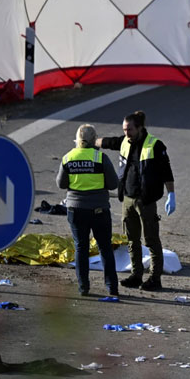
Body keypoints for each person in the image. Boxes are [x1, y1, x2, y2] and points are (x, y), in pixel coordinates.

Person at [97, 111, 175, 292]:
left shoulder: (155, 145)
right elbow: (108, 142)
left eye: (130, 129)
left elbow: (166, 172)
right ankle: (136, 274)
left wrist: (171, 194)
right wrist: (89, 141)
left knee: (151, 240)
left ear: (140, 128)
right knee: (132, 239)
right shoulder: (125, 141)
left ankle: (155, 278)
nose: (126, 133)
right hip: (128, 199)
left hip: (146, 201)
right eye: (124, 129)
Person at [56, 124, 120, 297]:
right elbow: (114, 183)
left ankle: (83, 287)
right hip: (99, 209)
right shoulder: (101, 158)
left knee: (81, 248)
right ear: (94, 140)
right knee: (105, 248)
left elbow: (61, 184)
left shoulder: (68, 157)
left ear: (77, 140)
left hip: (76, 210)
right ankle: (112, 287)